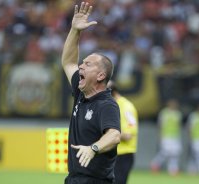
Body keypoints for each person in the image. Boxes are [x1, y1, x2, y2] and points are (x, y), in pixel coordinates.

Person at [61, 2, 121, 184]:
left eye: (87, 64)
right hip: (74, 179)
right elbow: (69, 62)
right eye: (83, 62)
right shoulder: (81, 94)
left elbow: (114, 135)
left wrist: (93, 148)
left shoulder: (107, 104)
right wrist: (75, 31)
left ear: (101, 75)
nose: (81, 65)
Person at [107, 81, 138, 184]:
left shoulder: (126, 107)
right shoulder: (114, 105)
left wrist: (105, 135)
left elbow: (128, 135)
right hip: (113, 153)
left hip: (123, 154)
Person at [150, 99, 183, 176]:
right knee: (165, 152)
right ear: (168, 104)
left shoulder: (178, 114)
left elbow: (178, 126)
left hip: (175, 136)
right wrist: (160, 135)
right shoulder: (164, 113)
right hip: (166, 136)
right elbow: (160, 125)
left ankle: (173, 169)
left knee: (175, 153)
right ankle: (155, 164)